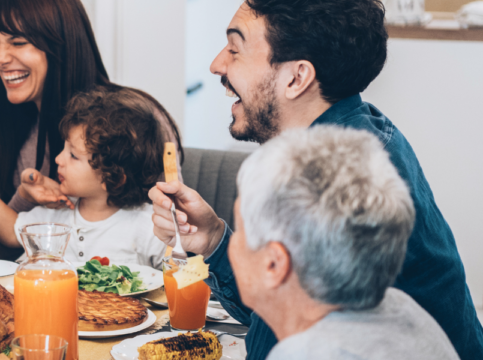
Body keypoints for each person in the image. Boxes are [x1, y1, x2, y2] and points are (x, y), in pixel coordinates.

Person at [149, 0, 483, 358]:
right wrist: (213, 239)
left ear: (296, 78)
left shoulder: (334, 185)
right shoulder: (352, 139)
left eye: (234, 48)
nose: (217, 64)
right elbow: (285, 308)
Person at [0, 0, 182, 260]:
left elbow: (177, 248)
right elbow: (2, 247)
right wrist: (22, 197)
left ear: (60, 45)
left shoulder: (134, 123)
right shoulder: (20, 121)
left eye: (18, 42)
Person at [228, 126, 457, 360]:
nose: (233, 243)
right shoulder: (404, 308)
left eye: (240, 231)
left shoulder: (306, 354)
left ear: (273, 264)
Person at [0, 85, 170, 268]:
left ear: (112, 178)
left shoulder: (150, 226)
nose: (58, 159)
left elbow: (177, 278)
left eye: (73, 155)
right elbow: (9, 231)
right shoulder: (56, 214)